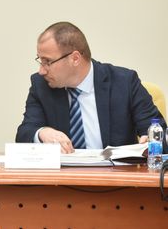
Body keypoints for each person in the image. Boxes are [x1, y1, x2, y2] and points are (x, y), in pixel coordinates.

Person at [16, 21, 166, 153]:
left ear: (75, 58)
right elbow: (24, 133)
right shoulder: (41, 85)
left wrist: (151, 140)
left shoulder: (124, 82)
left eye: (47, 62)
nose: (41, 70)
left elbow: (158, 130)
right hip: (63, 175)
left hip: (116, 173)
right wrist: (42, 132)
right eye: (40, 61)